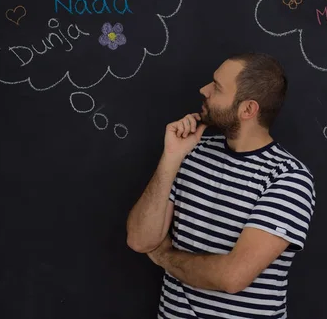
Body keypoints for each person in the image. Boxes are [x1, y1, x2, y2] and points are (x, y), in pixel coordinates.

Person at [126, 52, 316, 318]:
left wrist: (165, 255)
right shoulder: (193, 150)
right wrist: (171, 158)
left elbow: (232, 277)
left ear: (248, 109)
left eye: (216, 87)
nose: (203, 90)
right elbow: (139, 239)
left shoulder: (288, 178)